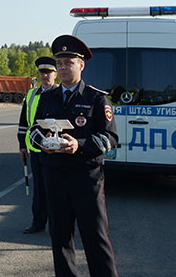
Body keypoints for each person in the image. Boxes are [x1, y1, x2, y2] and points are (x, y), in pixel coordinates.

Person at [33, 35, 120, 277]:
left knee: (95, 238)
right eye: (59, 63)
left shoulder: (96, 98)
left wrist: (78, 145)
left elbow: (110, 138)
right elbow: (33, 131)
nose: (62, 67)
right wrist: (43, 142)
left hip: (86, 178)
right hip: (54, 176)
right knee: (60, 239)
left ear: (81, 65)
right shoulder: (46, 98)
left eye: (68, 63)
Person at [17, 56, 58, 234]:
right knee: (39, 188)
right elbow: (23, 121)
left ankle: (58, 225)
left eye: (48, 72)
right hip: (36, 149)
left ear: (55, 74)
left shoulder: (62, 93)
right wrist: (22, 145)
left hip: (56, 150)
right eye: (42, 72)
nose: (45, 75)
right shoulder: (32, 94)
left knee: (56, 188)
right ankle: (38, 222)